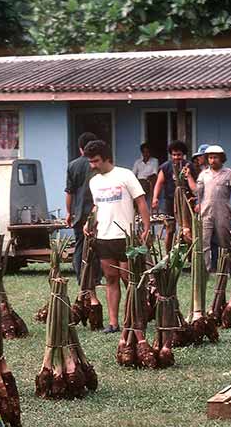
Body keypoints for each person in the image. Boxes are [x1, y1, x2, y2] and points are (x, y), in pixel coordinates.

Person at [85, 140, 152, 334]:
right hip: (104, 237)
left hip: (126, 236)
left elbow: (140, 201)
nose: (93, 165)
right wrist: (88, 222)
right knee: (111, 278)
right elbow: (97, 206)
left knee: (128, 278)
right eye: (90, 161)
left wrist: (146, 227)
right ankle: (113, 323)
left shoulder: (125, 175)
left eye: (96, 161)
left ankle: (134, 318)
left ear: (107, 158)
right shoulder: (94, 182)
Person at [195, 145, 231, 276]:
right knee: (204, 242)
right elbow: (199, 194)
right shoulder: (203, 175)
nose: (213, 160)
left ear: (222, 159)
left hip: (223, 211)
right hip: (206, 212)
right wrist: (197, 205)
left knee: (224, 241)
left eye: (216, 157)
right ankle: (205, 271)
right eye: (210, 158)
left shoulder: (229, 174)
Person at [150, 141, 199, 250]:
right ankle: (167, 255)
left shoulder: (189, 166)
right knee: (170, 229)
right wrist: (155, 198)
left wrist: (195, 199)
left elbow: (195, 185)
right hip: (170, 202)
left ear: (183, 154)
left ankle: (190, 257)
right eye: (174, 155)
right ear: (171, 155)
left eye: (179, 155)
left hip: (187, 202)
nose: (176, 157)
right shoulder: (166, 167)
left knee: (187, 230)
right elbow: (159, 183)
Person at [65, 132, 100, 284]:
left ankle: (82, 278)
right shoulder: (99, 164)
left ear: (80, 148)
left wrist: (69, 212)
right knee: (97, 246)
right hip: (98, 212)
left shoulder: (72, 165)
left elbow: (69, 192)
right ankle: (96, 278)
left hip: (79, 214)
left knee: (80, 245)